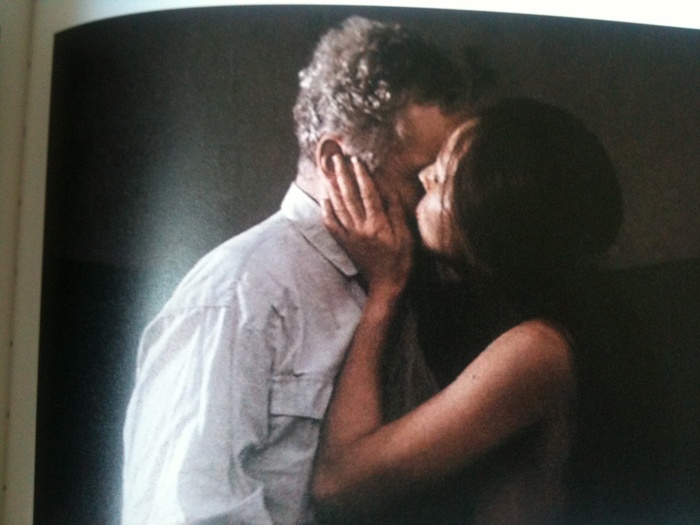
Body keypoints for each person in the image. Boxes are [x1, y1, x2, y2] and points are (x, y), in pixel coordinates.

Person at [121, 16, 471, 525]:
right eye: (419, 176)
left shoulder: (401, 283)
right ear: (335, 162)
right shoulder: (238, 293)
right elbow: (180, 513)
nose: (436, 200)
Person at [312, 98, 623, 524]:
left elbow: (338, 485)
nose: (423, 176)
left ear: (493, 217)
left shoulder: (538, 348)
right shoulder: (524, 314)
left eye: (443, 177)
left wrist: (384, 290)